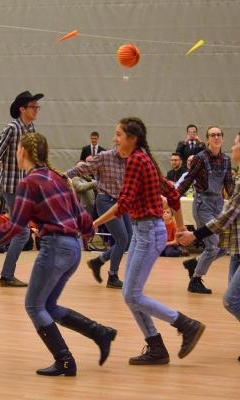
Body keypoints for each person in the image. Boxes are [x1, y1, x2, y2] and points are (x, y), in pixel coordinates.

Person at [0, 132, 117, 376]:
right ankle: (100, 333)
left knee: (34, 306)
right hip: (73, 248)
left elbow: (14, 227)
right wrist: (85, 236)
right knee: (49, 306)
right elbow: (83, 218)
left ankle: (65, 360)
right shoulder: (58, 177)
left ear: (22, 151)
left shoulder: (29, 183)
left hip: (55, 247)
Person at [94, 117, 205, 365]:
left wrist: (93, 225)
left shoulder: (136, 160)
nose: (114, 139)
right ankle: (156, 346)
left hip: (147, 232)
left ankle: (185, 325)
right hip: (143, 231)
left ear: (132, 138)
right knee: (129, 293)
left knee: (132, 295)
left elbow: (123, 204)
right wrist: (179, 227)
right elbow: (173, 193)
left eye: (118, 134)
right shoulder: (143, 157)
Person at [179, 130, 240, 364]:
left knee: (231, 301)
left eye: (235, 144)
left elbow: (225, 218)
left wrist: (194, 235)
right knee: (236, 301)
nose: (231, 147)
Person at [0, 90, 44, 287]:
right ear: (22, 109)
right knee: (21, 232)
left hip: (25, 186)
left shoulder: (31, 130)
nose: (37, 109)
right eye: (33, 106)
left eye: (38, 106)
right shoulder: (12, 129)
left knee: (13, 229)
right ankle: (6, 275)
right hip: (11, 186)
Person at [177, 126, 234, 294]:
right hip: (203, 205)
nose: (216, 137)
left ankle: (194, 262)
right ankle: (195, 280)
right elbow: (188, 179)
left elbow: (229, 182)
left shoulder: (226, 159)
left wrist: (237, 199)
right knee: (213, 246)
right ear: (207, 139)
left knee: (224, 246)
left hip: (218, 204)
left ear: (222, 138)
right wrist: (174, 197)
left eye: (218, 135)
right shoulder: (200, 158)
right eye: (212, 135)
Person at [66, 147, 128, 289]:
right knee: (122, 239)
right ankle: (113, 276)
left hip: (121, 202)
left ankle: (98, 261)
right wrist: (64, 175)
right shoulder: (104, 156)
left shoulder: (130, 158)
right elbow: (83, 168)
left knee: (128, 238)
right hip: (105, 201)